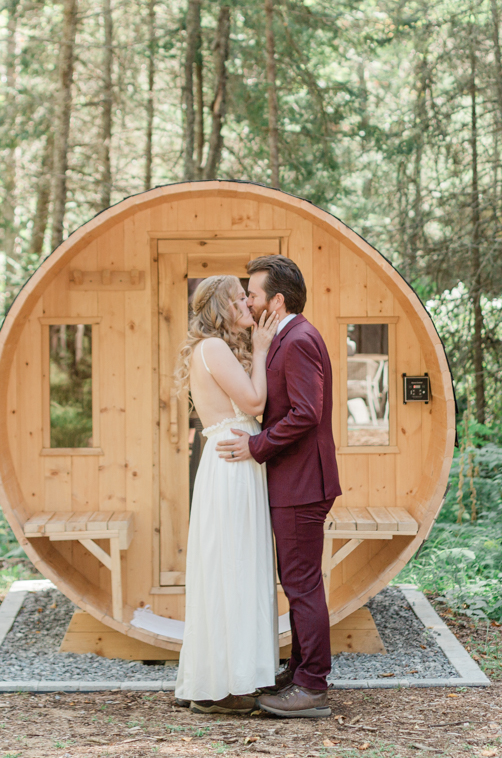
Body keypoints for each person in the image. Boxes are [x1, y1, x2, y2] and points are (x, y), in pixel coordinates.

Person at [216, 254, 342, 719]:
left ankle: (312, 687)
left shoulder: (301, 339)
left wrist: (256, 445)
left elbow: (306, 413)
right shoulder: (285, 337)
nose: (248, 301)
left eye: (253, 293)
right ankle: (301, 669)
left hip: (302, 483)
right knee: (296, 581)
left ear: (277, 300)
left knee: (302, 584)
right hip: (294, 481)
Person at [174, 275, 281, 715]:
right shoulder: (214, 349)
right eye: (240, 298)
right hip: (232, 468)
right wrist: (261, 350)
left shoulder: (215, 348)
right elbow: (255, 403)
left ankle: (224, 677)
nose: (248, 305)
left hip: (238, 464)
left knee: (234, 567)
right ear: (221, 304)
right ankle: (224, 686)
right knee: (234, 568)